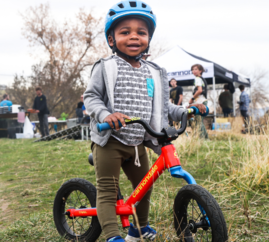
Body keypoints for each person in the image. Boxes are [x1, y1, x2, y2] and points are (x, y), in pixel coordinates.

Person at [83, 2, 206, 241]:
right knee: (108, 191)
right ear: (111, 39)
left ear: (148, 39)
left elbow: (162, 107)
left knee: (144, 186)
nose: (134, 36)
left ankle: (138, 229)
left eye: (141, 32)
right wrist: (105, 115)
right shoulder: (106, 67)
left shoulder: (153, 72)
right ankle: (112, 235)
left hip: (138, 143)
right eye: (125, 32)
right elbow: (92, 97)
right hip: (110, 140)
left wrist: (186, 110)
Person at [188, 64, 208, 139]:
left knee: (198, 121)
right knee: (200, 121)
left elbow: (200, 90)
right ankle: (206, 139)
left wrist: (192, 98)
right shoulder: (201, 79)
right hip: (203, 101)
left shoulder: (197, 79)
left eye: (196, 69)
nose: (194, 71)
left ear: (200, 71)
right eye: (193, 69)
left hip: (200, 102)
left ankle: (200, 139)